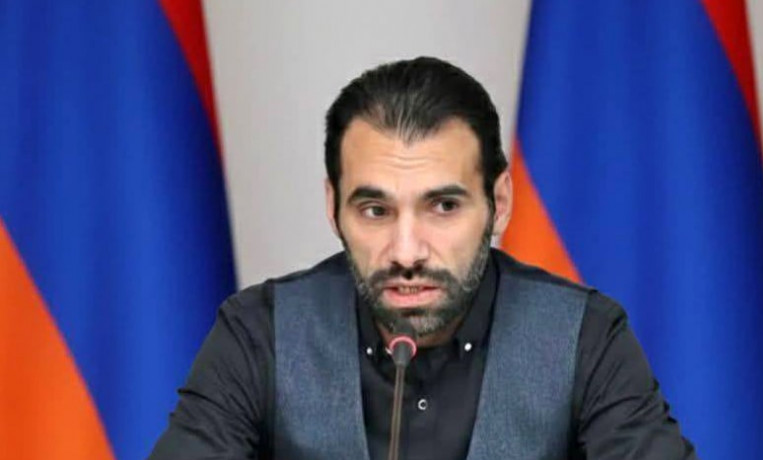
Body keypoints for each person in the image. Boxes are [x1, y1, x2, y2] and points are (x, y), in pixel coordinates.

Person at [149, 57, 697, 459]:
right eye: (375, 211)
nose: (407, 252)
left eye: (443, 206)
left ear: (499, 203)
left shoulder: (586, 337)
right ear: (333, 207)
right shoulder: (258, 333)